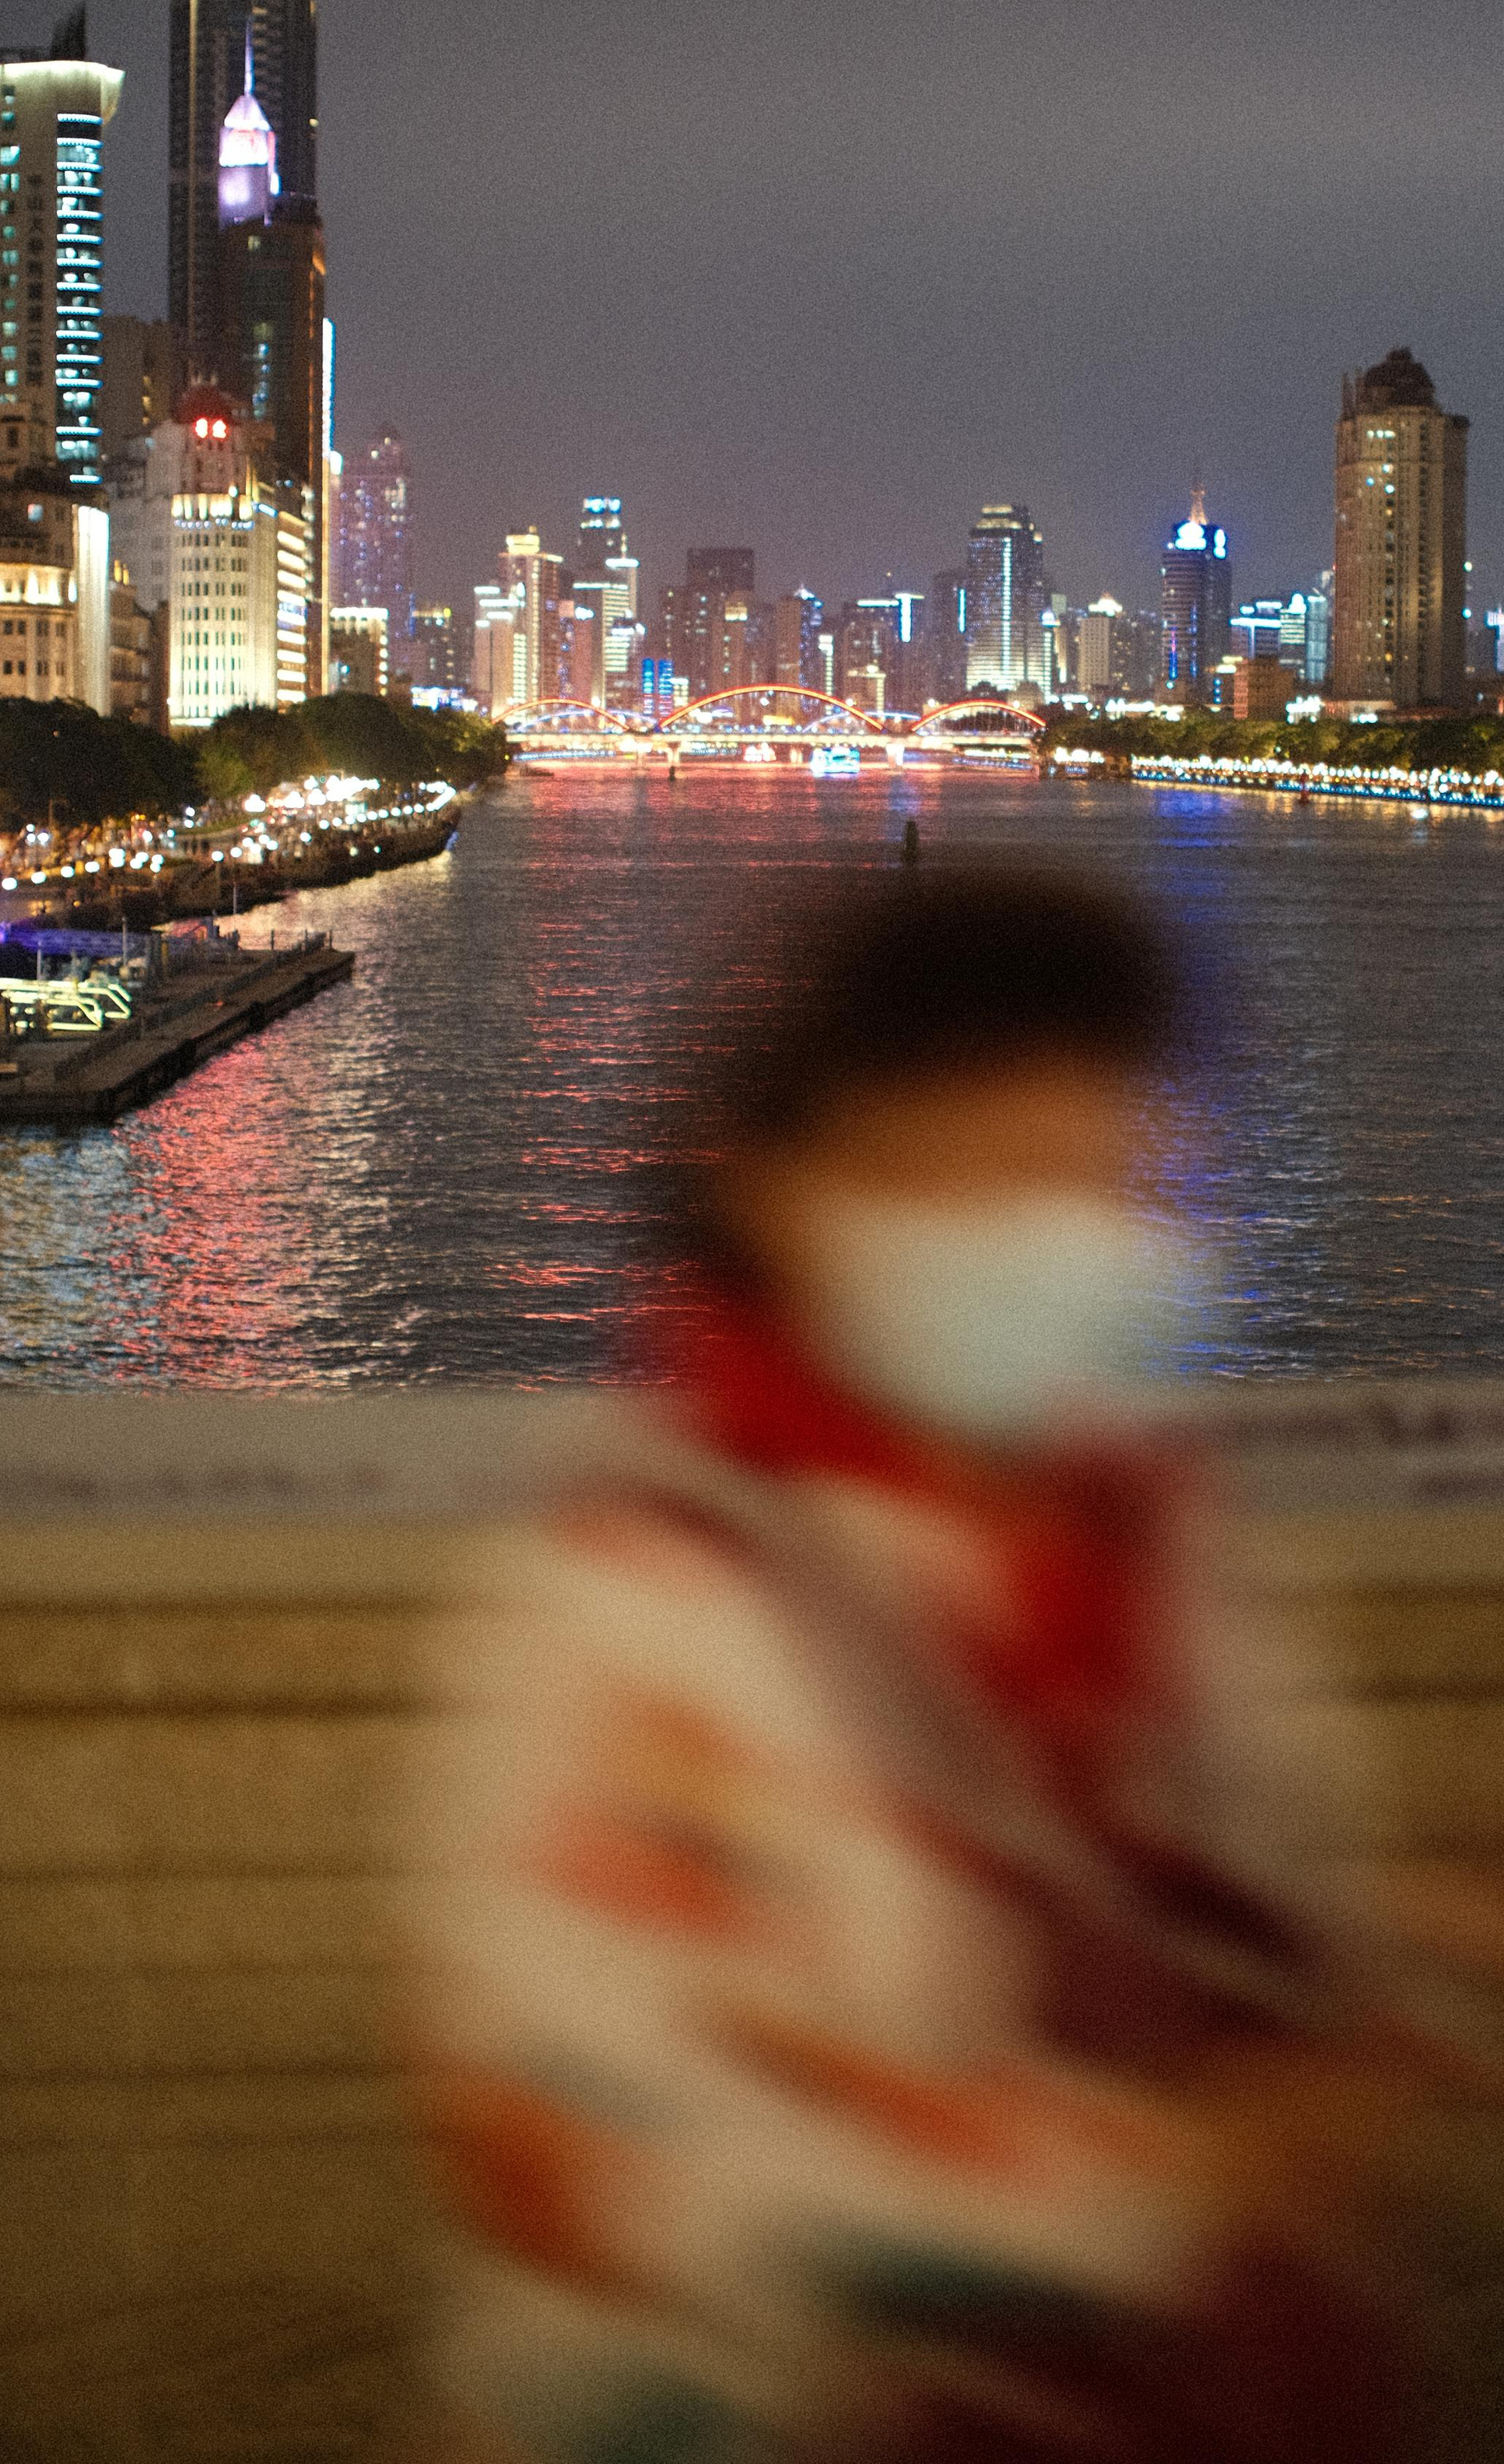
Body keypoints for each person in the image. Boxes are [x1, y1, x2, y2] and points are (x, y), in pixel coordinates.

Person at [412, 867, 1437, 2462]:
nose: (1056, 1235)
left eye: (1101, 1172)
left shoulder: (1167, 1552)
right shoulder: (643, 1600)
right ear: (779, 1194)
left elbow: (1295, 1906)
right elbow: (581, 2130)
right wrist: (1151, 2187)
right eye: (974, 1177)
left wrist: (1397, 1981)